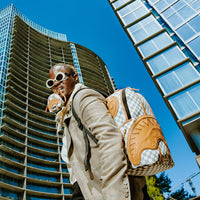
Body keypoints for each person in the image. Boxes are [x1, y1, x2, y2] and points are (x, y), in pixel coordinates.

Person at [46, 63, 150, 200]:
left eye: (60, 77)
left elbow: (110, 139)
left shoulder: (83, 97)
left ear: (75, 77)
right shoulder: (68, 112)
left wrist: (114, 193)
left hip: (108, 184)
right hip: (86, 186)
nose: (56, 84)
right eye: (51, 83)